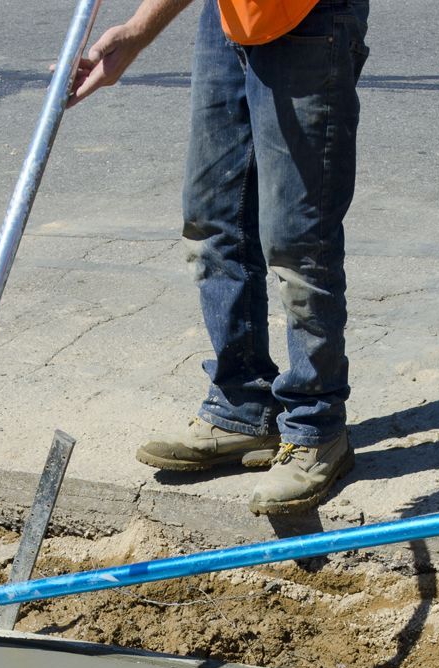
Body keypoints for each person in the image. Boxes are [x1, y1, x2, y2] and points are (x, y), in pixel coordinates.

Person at [68, 0, 368, 515]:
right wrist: (137, 32)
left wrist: (139, 31)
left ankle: (316, 430)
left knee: (299, 239)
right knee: (214, 219)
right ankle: (243, 404)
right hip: (229, 15)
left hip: (309, 17)